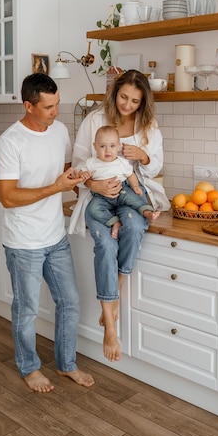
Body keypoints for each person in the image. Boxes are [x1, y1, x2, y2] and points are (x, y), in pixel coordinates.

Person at [0, 72, 95, 393]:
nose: (56, 112)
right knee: (27, 310)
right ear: (28, 106)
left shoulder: (59, 130)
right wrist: (56, 187)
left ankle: (66, 365)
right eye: (49, 107)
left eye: (58, 104)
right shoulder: (10, 143)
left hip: (56, 236)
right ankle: (29, 367)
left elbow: (63, 169)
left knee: (70, 302)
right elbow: (9, 197)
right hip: (24, 243)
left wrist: (81, 180)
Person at [69, 69, 170, 362]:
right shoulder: (95, 120)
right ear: (114, 93)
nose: (127, 105)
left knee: (135, 226)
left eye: (135, 101)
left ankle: (116, 290)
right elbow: (78, 166)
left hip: (131, 194)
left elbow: (155, 168)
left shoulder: (148, 126)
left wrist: (144, 156)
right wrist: (94, 184)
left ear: (143, 103)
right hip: (98, 196)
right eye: (123, 97)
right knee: (104, 243)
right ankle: (110, 325)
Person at [75, 125, 160, 239]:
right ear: (95, 147)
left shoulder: (122, 162)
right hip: (100, 196)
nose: (107, 150)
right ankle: (114, 222)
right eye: (102, 146)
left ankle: (147, 212)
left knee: (134, 198)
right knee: (93, 209)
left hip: (122, 190)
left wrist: (135, 186)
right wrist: (83, 175)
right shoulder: (91, 163)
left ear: (118, 146)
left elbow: (131, 174)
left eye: (112, 146)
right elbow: (80, 174)